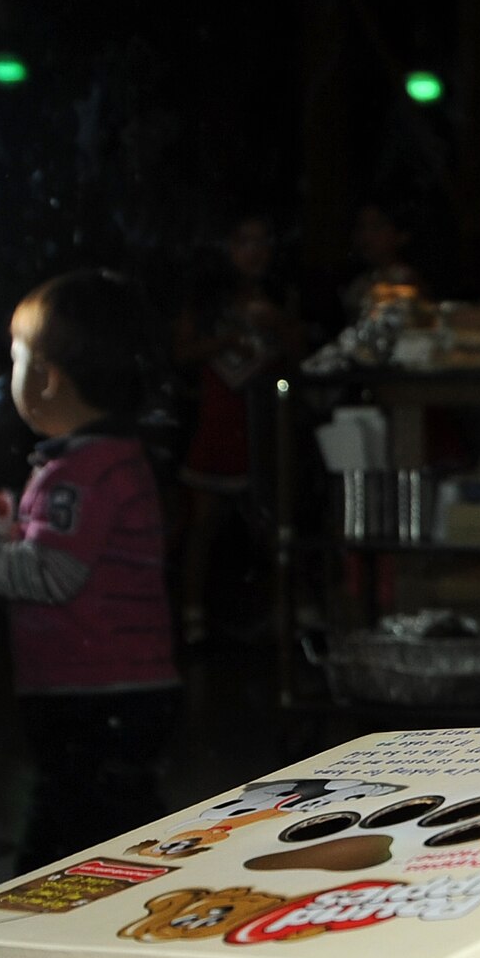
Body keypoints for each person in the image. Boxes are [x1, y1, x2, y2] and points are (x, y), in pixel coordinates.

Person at [0, 269, 180, 874]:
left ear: (48, 379)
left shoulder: (82, 472)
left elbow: (54, 574)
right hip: (112, 686)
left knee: (71, 824)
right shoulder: (99, 461)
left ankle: (37, 921)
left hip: (96, 690)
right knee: (112, 816)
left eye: (17, 362)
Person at [172, 211, 309, 644]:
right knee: (202, 524)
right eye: (243, 241)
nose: (256, 252)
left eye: (263, 241)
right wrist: (224, 342)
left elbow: (304, 355)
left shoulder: (281, 294)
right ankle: (192, 617)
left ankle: (288, 616)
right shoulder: (205, 298)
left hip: (266, 422)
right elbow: (181, 351)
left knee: (274, 525)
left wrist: (281, 324)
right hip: (218, 418)